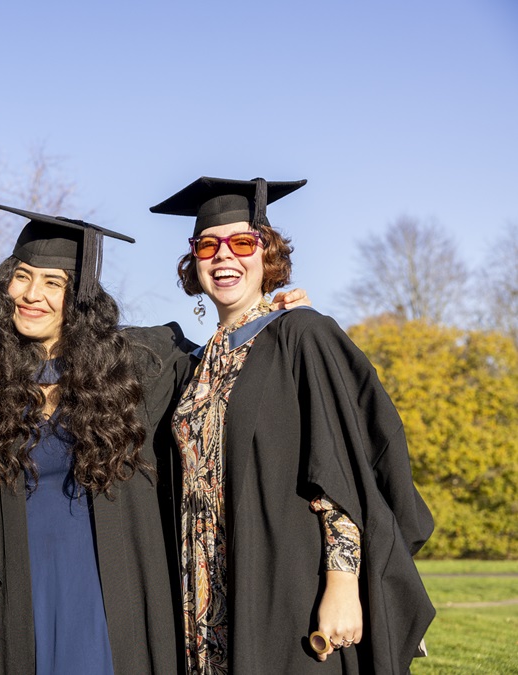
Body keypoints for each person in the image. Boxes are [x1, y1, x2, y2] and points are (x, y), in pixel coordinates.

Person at [148, 176, 435, 674]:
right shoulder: (195, 363)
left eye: (242, 242)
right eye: (207, 245)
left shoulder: (301, 334)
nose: (224, 257)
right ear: (193, 261)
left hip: (287, 584)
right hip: (205, 595)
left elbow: (341, 463)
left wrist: (343, 584)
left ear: (268, 255)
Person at [0, 204, 192, 674]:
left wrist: (272, 314)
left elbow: (227, 372)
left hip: (105, 582)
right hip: (19, 582)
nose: (31, 294)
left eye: (53, 283)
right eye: (22, 277)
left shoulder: (132, 372)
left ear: (81, 297)